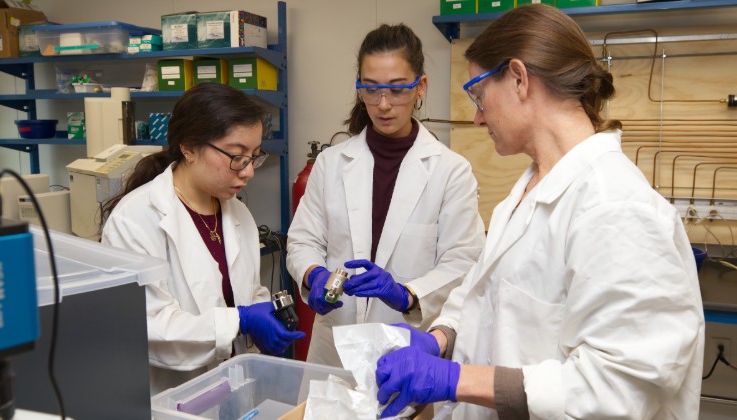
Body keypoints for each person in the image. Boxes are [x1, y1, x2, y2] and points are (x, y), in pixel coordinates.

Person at [374, 5, 705, 419]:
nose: (477, 118)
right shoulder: (530, 189)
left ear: (518, 79)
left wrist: (456, 379)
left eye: (478, 94)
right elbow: (482, 296)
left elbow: (619, 387)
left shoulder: (616, 206)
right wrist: (441, 337)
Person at [286, 23, 486, 368]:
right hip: (335, 342)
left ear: (420, 86)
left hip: (405, 344)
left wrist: (407, 294)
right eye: (371, 89)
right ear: (359, 88)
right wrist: (313, 274)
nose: (382, 104)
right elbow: (302, 241)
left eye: (397, 90)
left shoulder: (451, 171)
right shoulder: (331, 163)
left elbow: (463, 262)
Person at [101, 82, 304, 395]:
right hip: (173, 396)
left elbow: (247, 289)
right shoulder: (136, 220)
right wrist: (240, 320)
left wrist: (264, 315)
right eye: (237, 156)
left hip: (234, 388)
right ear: (189, 147)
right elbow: (148, 326)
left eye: (254, 156)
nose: (248, 172)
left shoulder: (237, 213)